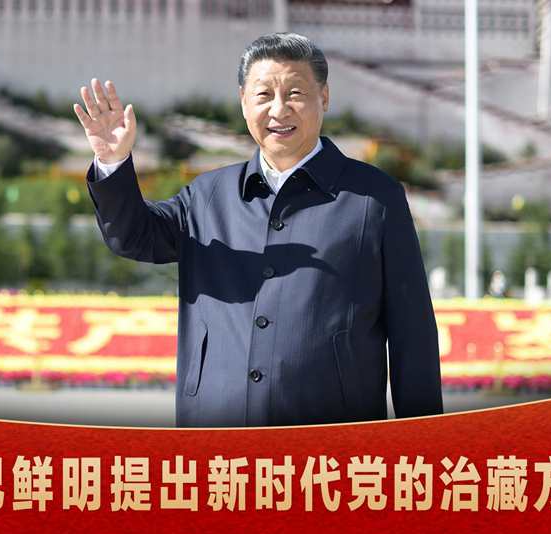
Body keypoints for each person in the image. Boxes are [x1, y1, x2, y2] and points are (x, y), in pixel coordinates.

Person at [73, 32, 442, 427]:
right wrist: (113, 162)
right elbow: (133, 236)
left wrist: (423, 440)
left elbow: (412, 334)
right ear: (243, 101)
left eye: (295, 93)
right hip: (216, 439)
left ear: (324, 97)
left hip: (329, 442)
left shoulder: (374, 199)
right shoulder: (207, 196)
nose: (279, 110)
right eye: (264, 95)